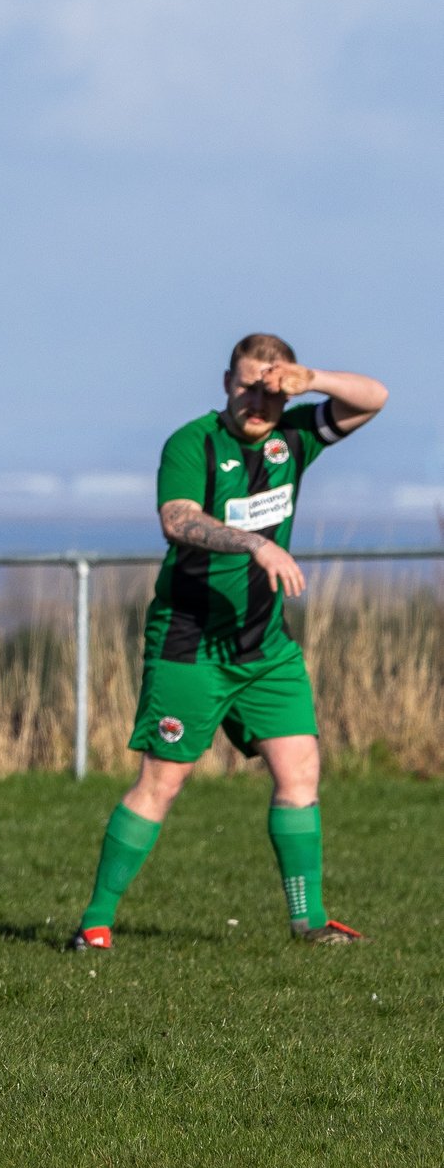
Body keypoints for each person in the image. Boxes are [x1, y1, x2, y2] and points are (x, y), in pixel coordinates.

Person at [69, 334, 388, 952]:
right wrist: (256, 542)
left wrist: (312, 378)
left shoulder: (292, 437)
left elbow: (374, 398)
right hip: (190, 643)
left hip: (265, 648)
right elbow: (177, 518)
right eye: (247, 384)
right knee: (162, 781)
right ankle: (95, 923)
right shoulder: (195, 442)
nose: (258, 398)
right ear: (225, 382)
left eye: (271, 388)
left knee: (300, 773)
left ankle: (309, 919)